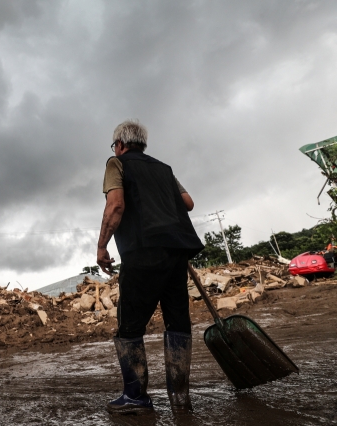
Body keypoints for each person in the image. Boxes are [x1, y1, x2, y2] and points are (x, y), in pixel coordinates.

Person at [96, 120, 204, 415]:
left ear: (119, 144)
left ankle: (136, 397)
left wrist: (102, 246)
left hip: (142, 250)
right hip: (176, 250)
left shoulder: (116, 163)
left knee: (129, 326)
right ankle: (180, 398)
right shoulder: (164, 168)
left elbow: (115, 206)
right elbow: (188, 202)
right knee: (177, 322)